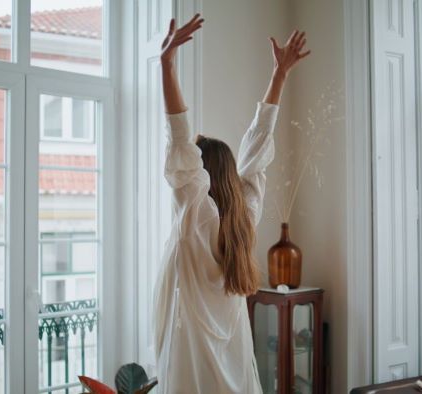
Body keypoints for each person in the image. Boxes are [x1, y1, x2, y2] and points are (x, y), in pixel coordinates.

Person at [153, 14, 310, 394]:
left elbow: (179, 139)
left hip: (195, 368)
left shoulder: (198, 215)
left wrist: (167, 65)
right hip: (235, 365)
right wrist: (279, 77)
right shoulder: (245, 217)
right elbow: (257, 149)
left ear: (203, 172)